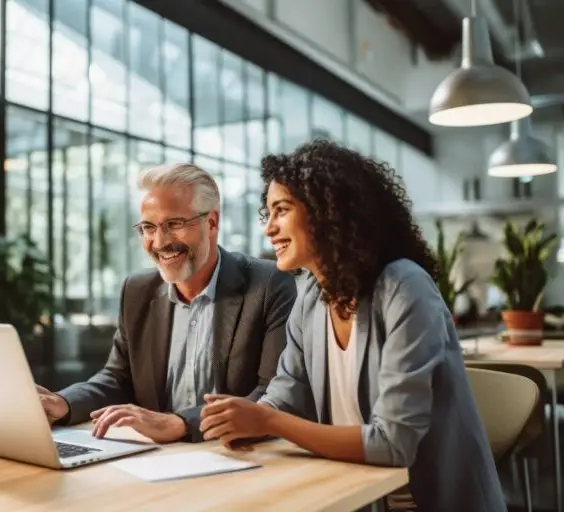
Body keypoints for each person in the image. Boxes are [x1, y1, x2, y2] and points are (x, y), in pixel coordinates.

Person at [199, 141, 505, 512]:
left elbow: (393, 444)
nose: (270, 229)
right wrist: (240, 421)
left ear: (328, 211)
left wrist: (269, 420)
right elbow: (283, 400)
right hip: (357, 496)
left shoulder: (403, 287)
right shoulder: (311, 297)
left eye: (282, 210)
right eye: (269, 213)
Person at [37, 163, 297, 444]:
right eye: (149, 227)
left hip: (236, 453)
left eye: (174, 224)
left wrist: (183, 423)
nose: (160, 242)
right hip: (158, 458)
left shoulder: (268, 283)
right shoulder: (137, 290)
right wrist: (63, 403)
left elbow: (272, 393)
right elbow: (117, 378)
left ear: (212, 222)